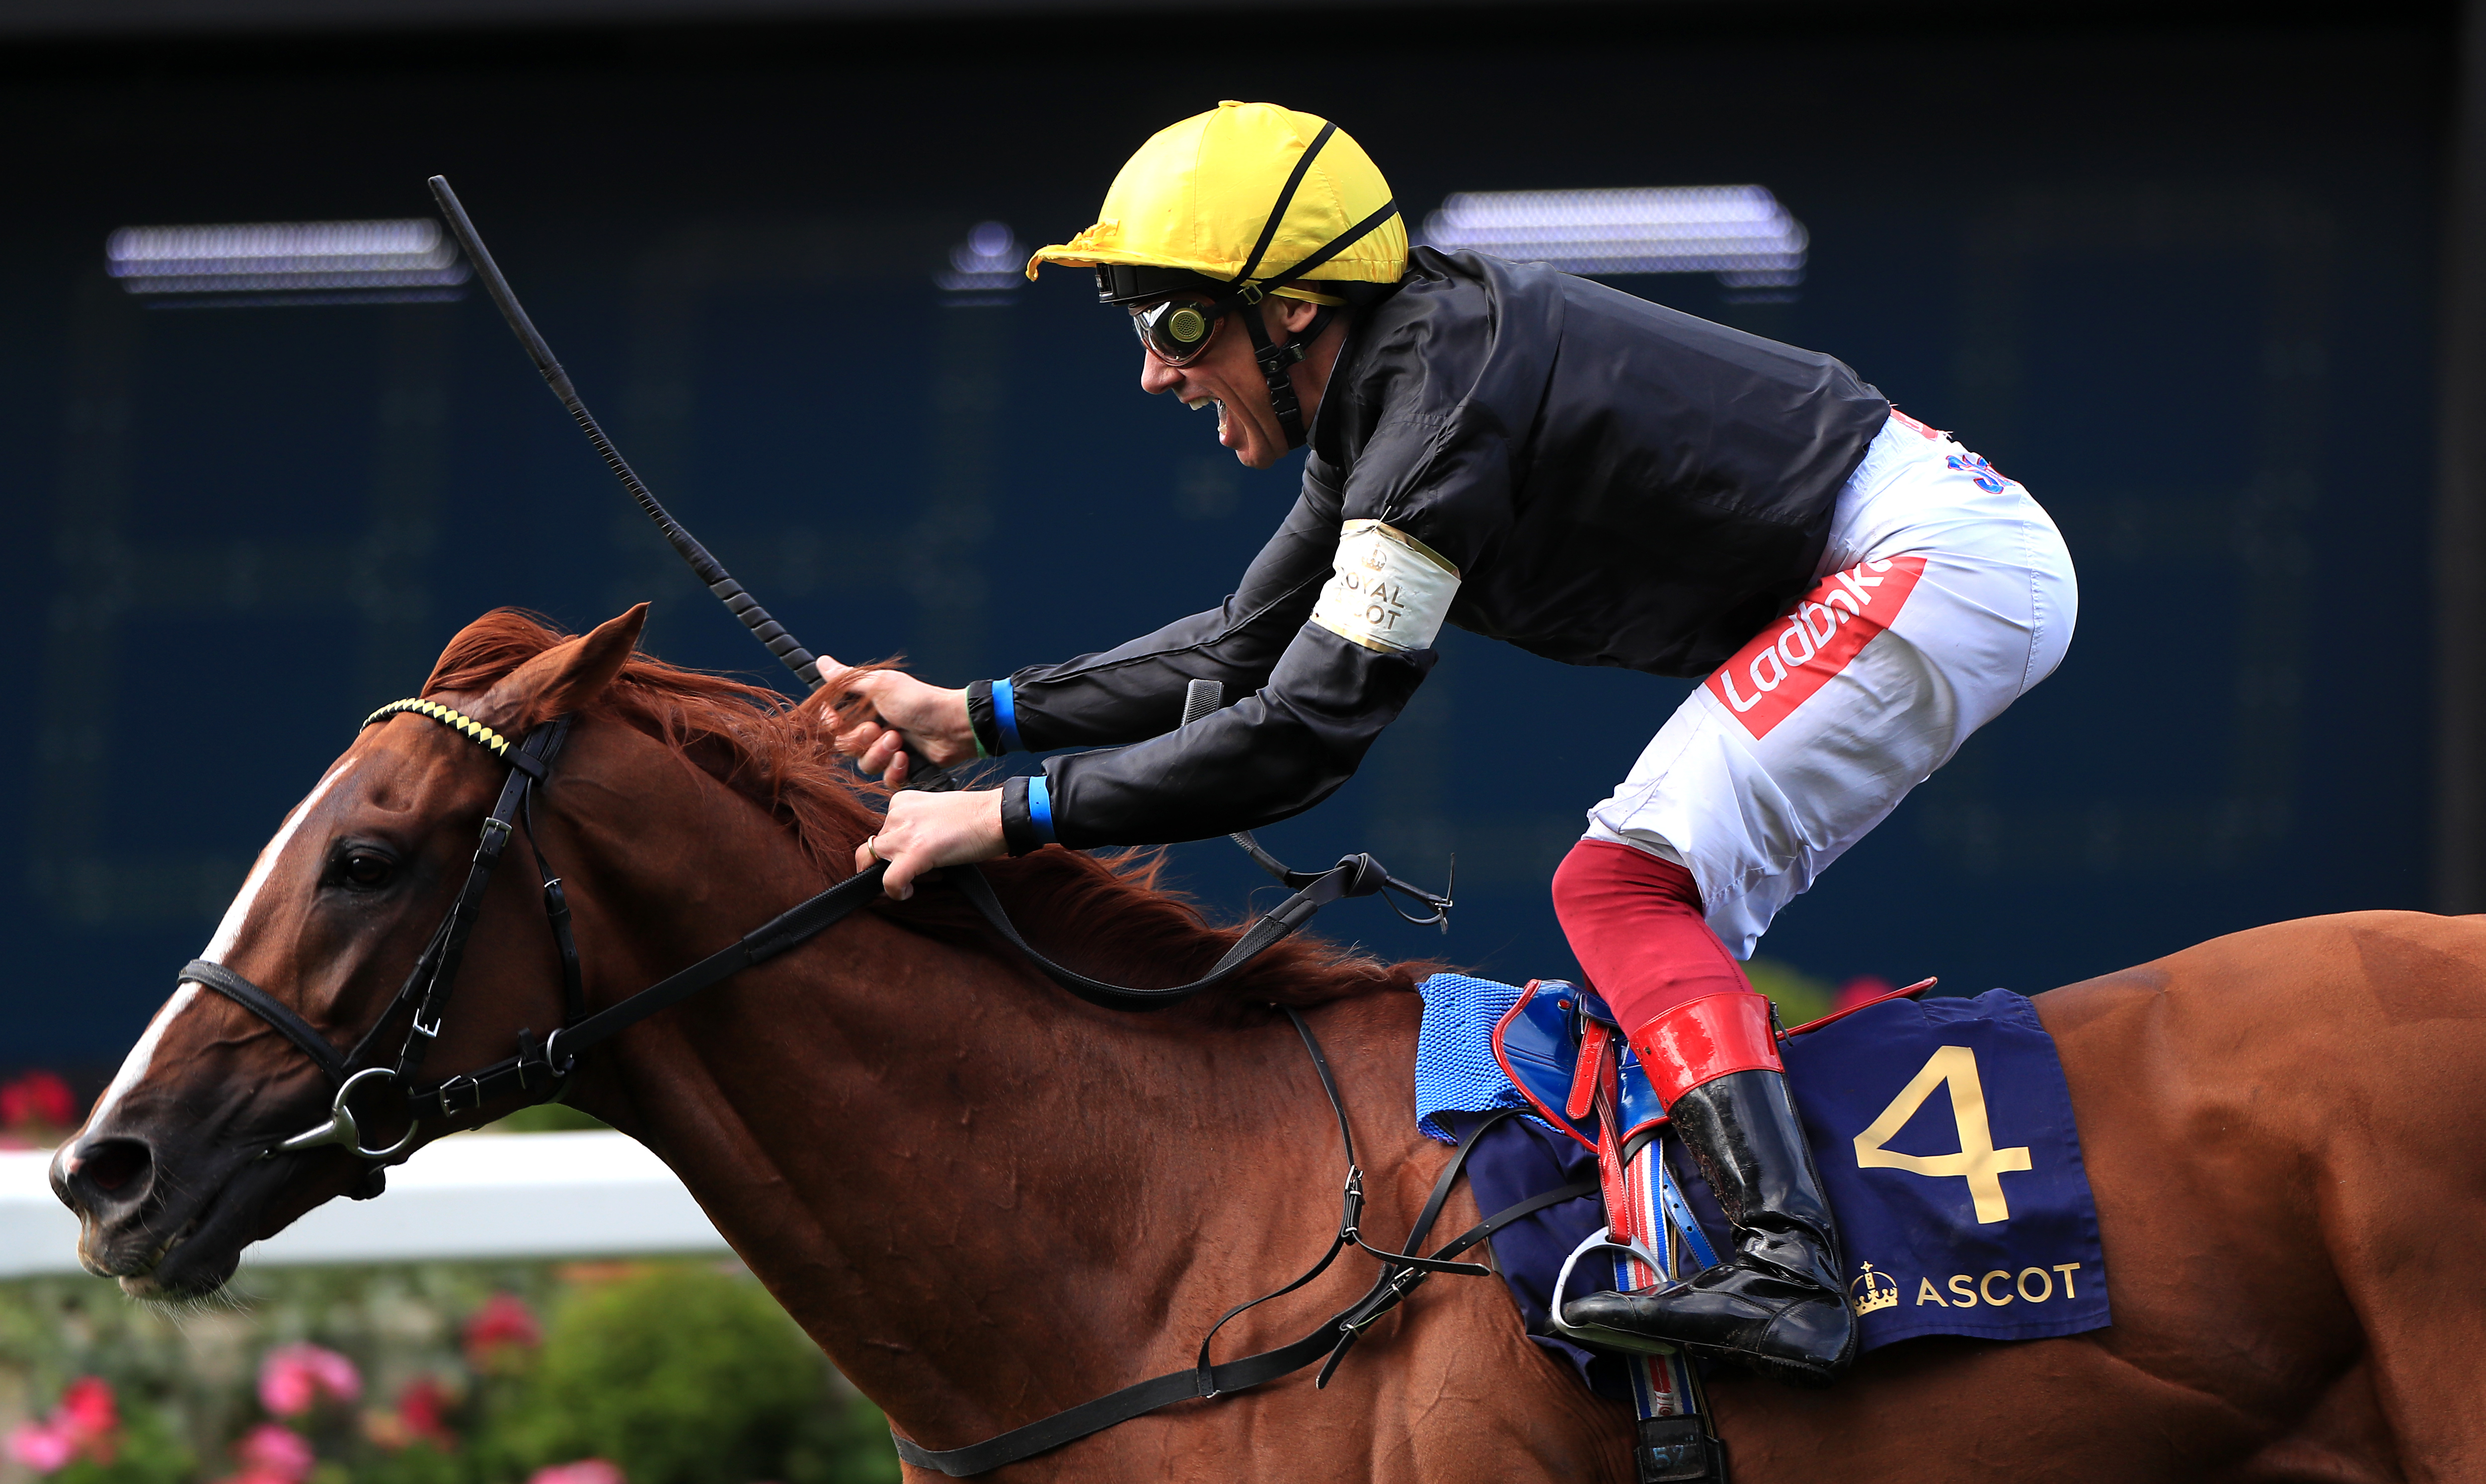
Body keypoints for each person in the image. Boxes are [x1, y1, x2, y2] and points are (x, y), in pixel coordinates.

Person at [832, 101, 2076, 1387]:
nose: (1154, 367)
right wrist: (970, 715)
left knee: (1616, 886)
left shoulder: (1435, 420)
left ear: (1297, 307)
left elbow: (1301, 734)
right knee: (1650, 965)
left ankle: (1788, 1265)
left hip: (1930, 564)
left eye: (1176, 320)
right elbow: (1235, 648)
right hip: (1924, 559)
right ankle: (1726, 1275)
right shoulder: (1391, 393)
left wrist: (1003, 814)